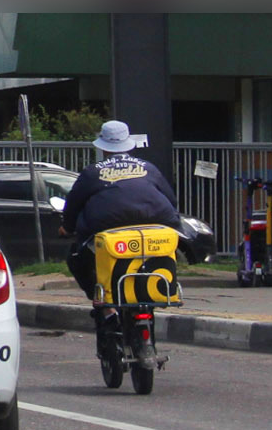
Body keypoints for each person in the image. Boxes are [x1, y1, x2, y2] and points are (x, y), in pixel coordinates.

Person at [61, 121, 185, 315]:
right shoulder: (149, 168)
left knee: (76, 258)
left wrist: (67, 228)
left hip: (109, 227)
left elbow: (73, 205)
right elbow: (171, 199)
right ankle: (158, 291)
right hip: (157, 224)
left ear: (103, 146)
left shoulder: (92, 172)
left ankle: (105, 306)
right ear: (128, 143)